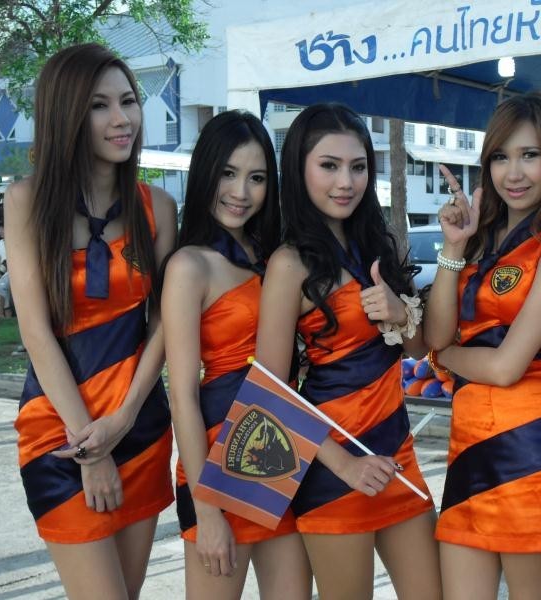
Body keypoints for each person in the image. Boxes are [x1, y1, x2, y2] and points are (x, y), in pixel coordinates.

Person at [5, 43, 177, 599]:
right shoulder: (27, 202)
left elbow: (164, 324)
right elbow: (35, 331)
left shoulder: (158, 207)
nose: (122, 118)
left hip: (140, 426)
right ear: (67, 115)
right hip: (59, 432)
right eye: (100, 105)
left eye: (128, 101)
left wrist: (123, 420)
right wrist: (91, 448)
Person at [255, 102, 441, 600]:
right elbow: (269, 389)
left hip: (397, 455)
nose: (346, 182)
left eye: (358, 167)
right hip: (332, 465)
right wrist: (345, 466)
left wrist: (400, 313)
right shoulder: (289, 263)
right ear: (300, 170)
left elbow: (419, 347)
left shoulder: (379, 242)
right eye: (329, 166)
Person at [424, 91, 541, 600]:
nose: (513, 173)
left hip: (529, 446)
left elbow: (505, 367)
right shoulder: (480, 236)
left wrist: (445, 357)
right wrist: (454, 245)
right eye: (500, 157)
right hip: (467, 441)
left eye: (529, 155)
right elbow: (435, 333)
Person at [161, 110, 312, 599]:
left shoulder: (276, 257)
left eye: (256, 178)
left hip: (279, 448)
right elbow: (182, 395)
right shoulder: (189, 266)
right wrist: (206, 510)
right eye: (228, 173)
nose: (241, 192)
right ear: (206, 172)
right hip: (217, 461)